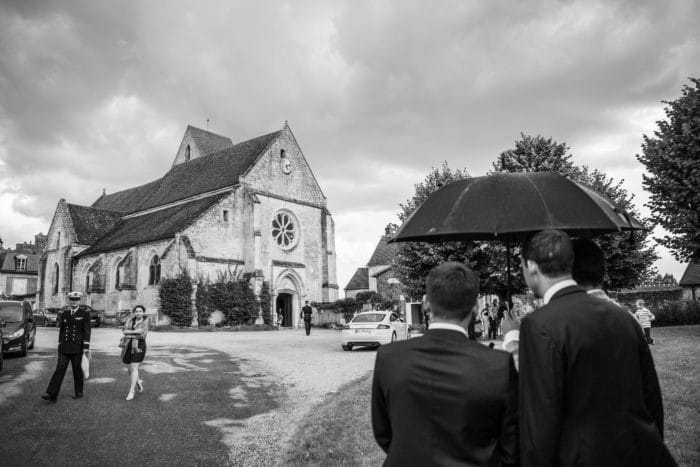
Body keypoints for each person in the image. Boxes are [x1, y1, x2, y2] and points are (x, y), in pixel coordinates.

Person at [518, 230, 675, 467]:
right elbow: (651, 397)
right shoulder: (621, 315)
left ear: (530, 266)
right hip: (640, 453)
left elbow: (540, 422)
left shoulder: (539, 324)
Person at [372, 262, 518, 466]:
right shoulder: (499, 364)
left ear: (425, 303)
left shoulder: (389, 357)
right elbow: (511, 446)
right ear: (476, 306)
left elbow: (384, 433)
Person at [42, 291, 91, 402]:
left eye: (76, 299)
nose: (74, 302)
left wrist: (86, 347)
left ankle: (79, 392)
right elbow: (62, 329)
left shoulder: (84, 314)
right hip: (64, 347)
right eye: (72, 299)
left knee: (77, 370)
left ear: (79, 301)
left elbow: (87, 331)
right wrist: (60, 342)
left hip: (77, 347)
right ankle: (52, 394)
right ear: (69, 301)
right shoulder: (64, 313)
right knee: (59, 369)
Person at [122, 305, 149, 401]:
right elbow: (124, 332)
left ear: (143, 312)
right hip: (128, 345)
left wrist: (129, 333)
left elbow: (142, 335)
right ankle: (138, 381)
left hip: (139, 346)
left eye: (140, 311)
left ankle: (131, 391)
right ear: (134, 312)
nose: (138, 313)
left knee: (134, 367)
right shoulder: (130, 320)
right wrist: (135, 332)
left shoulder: (145, 321)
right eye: (136, 311)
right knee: (130, 368)